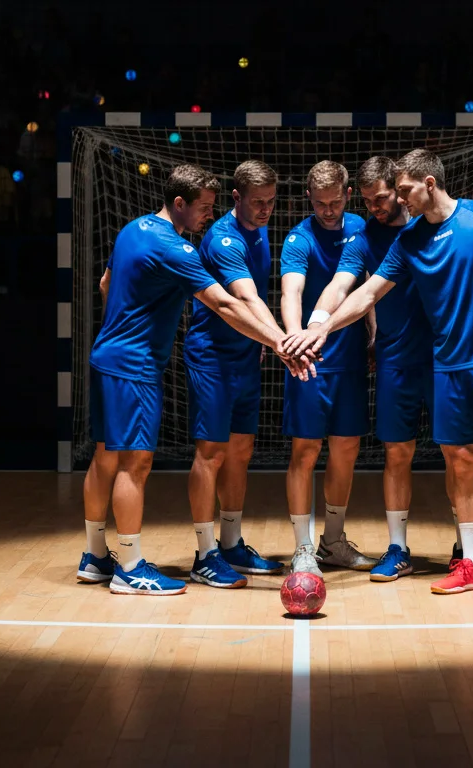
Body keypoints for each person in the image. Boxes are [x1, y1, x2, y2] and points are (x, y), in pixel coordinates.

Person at [282, 149, 473, 599]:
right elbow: (362, 292)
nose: (391, 202)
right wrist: (319, 327)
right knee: (455, 460)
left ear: (425, 183)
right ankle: (465, 559)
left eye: (397, 192)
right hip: (436, 364)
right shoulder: (400, 242)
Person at [78, 164, 312, 596]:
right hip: (134, 366)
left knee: (106, 457)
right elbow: (224, 304)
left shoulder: (134, 229)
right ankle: (129, 567)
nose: (210, 214)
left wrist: (122, 325)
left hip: (108, 355)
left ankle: (95, 556)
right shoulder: (176, 249)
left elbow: (106, 282)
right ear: (179, 203)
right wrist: (282, 344)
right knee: (135, 463)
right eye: (203, 207)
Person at [183, 160, 286, 587]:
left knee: (242, 449)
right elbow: (245, 300)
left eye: (271, 202)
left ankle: (231, 543)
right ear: (236, 198)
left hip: (246, 357)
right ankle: (205, 553)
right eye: (257, 202)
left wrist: (261, 344)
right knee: (211, 454)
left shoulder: (259, 230)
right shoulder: (222, 238)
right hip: (212, 358)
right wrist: (280, 341)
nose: (265, 210)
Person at [280, 160, 375, 577]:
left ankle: (333, 542)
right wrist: (293, 339)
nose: (328, 210)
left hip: (351, 358)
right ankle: (303, 548)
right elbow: (292, 291)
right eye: (320, 204)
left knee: (346, 449)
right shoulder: (298, 239)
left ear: (348, 195)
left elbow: (368, 285)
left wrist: (373, 334)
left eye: (335, 202)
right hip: (310, 360)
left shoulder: (362, 227)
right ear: (309, 199)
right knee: (306, 451)